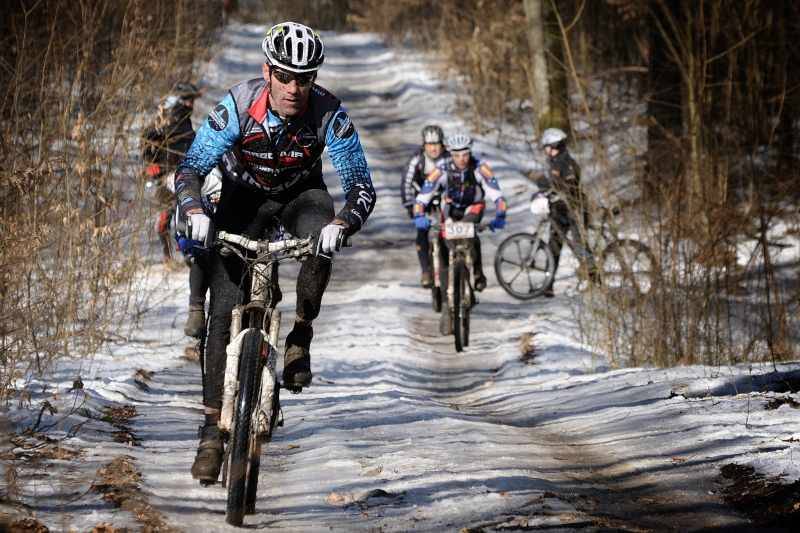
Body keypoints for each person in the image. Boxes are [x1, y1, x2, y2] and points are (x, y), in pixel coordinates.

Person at [174, 22, 377, 483]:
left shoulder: (329, 114)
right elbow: (190, 167)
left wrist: (344, 223)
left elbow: (361, 186)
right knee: (223, 306)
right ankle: (210, 430)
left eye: (303, 78)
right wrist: (194, 209)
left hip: (301, 195)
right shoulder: (238, 105)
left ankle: (300, 335)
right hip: (241, 198)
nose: (293, 88)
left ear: (314, 79)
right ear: (268, 71)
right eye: (284, 76)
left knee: (320, 234)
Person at [414, 133, 506, 333]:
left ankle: (478, 273)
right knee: (443, 245)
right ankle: (448, 301)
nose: (461, 159)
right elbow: (424, 194)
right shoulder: (442, 169)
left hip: (473, 208)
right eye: (456, 155)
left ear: (469, 153)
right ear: (451, 154)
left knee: (470, 232)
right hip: (451, 209)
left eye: (465, 154)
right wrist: (419, 213)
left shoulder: (480, 167)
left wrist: (500, 214)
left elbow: (496, 193)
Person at [141, 82, 202, 263]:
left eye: (191, 100)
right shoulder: (170, 118)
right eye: (187, 100)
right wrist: (152, 164)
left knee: (180, 212)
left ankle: (184, 254)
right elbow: (148, 138)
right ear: (178, 100)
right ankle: (173, 256)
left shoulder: (183, 118)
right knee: (171, 214)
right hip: (169, 173)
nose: (190, 104)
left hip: (183, 171)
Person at [533, 127, 594, 297]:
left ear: (555, 146)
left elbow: (569, 187)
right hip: (559, 211)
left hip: (573, 210)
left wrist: (547, 185)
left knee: (580, 247)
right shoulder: (555, 162)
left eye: (547, 146)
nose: (545, 150)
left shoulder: (567, 163)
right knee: (553, 248)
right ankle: (548, 285)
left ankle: (596, 281)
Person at [400, 125, 449, 287]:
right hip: (422, 203)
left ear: (442, 144)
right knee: (422, 233)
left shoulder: (450, 158)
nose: (434, 148)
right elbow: (406, 183)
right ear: (424, 145)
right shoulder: (416, 160)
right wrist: (410, 206)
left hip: (444, 201)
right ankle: (426, 271)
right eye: (430, 145)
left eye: (437, 144)